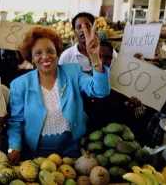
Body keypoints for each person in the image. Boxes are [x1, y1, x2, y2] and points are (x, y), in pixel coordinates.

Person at [7, 22, 111, 164]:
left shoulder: (73, 72)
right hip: (36, 156)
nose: (45, 57)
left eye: (50, 50)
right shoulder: (19, 85)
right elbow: (16, 123)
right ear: (31, 57)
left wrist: (95, 58)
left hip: (72, 152)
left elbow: (101, 90)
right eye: (38, 53)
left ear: (57, 53)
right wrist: (14, 148)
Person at [82, 40, 143, 134]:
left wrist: (131, 105)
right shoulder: (84, 83)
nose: (102, 61)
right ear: (90, 58)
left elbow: (138, 113)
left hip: (120, 136)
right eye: (98, 56)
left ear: (111, 60)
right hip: (93, 136)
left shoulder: (123, 81)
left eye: (107, 57)